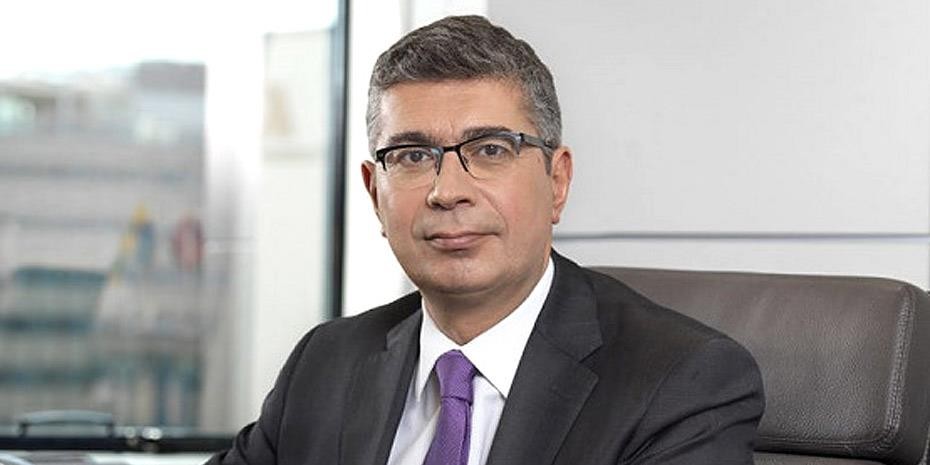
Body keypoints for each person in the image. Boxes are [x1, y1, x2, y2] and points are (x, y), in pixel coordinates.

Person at [208, 15, 764, 465]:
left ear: (557, 181)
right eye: (412, 155)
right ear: (375, 193)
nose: (447, 191)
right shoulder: (326, 363)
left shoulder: (682, 382)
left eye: (491, 150)